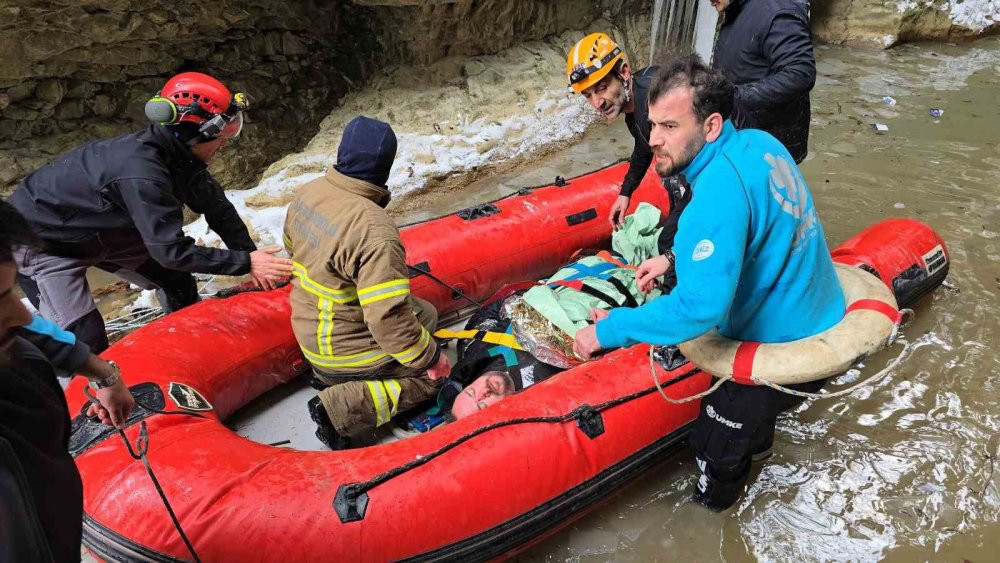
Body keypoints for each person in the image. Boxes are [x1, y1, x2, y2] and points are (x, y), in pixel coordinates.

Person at [573, 55, 845, 511]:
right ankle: (759, 450)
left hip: (787, 343)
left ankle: (714, 516)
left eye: (669, 127)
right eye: (653, 124)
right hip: (820, 312)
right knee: (747, 428)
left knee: (712, 440)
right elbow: (750, 229)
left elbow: (700, 309)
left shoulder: (712, 197)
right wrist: (674, 257)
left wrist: (608, 329)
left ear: (712, 125)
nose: (653, 139)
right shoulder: (761, 143)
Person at [8, 72, 293, 353]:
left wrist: (252, 259)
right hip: (43, 244)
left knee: (177, 283)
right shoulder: (143, 174)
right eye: (223, 133)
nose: (225, 142)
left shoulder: (179, 156)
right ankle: (84, 392)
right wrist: (244, 263)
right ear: (195, 133)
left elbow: (218, 209)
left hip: (103, 231)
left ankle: (188, 349)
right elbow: (170, 252)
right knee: (85, 341)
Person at [284, 116, 451, 450]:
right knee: (436, 378)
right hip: (344, 353)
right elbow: (387, 320)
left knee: (427, 313)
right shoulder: (374, 231)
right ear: (385, 167)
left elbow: (292, 249)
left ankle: (331, 377)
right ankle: (342, 407)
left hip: (309, 329)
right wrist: (433, 360)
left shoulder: (308, 193)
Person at [1, 200, 134, 561]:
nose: (20, 314)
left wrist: (103, 373)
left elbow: (38, 332)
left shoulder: (18, 347)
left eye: (11, 291)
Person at [566, 32, 691, 287]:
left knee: (671, 242)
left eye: (601, 88)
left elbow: (698, 155)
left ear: (623, 72)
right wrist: (626, 193)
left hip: (699, 180)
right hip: (683, 181)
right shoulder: (635, 103)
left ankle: (670, 310)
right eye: (588, 95)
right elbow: (643, 147)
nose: (597, 103)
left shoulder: (657, 101)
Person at [709, 0, 816, 163]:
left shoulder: (777, 13)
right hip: (741, 137)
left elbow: (800, 74)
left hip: (767, 149)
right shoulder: (739, 9)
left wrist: (734, 96)